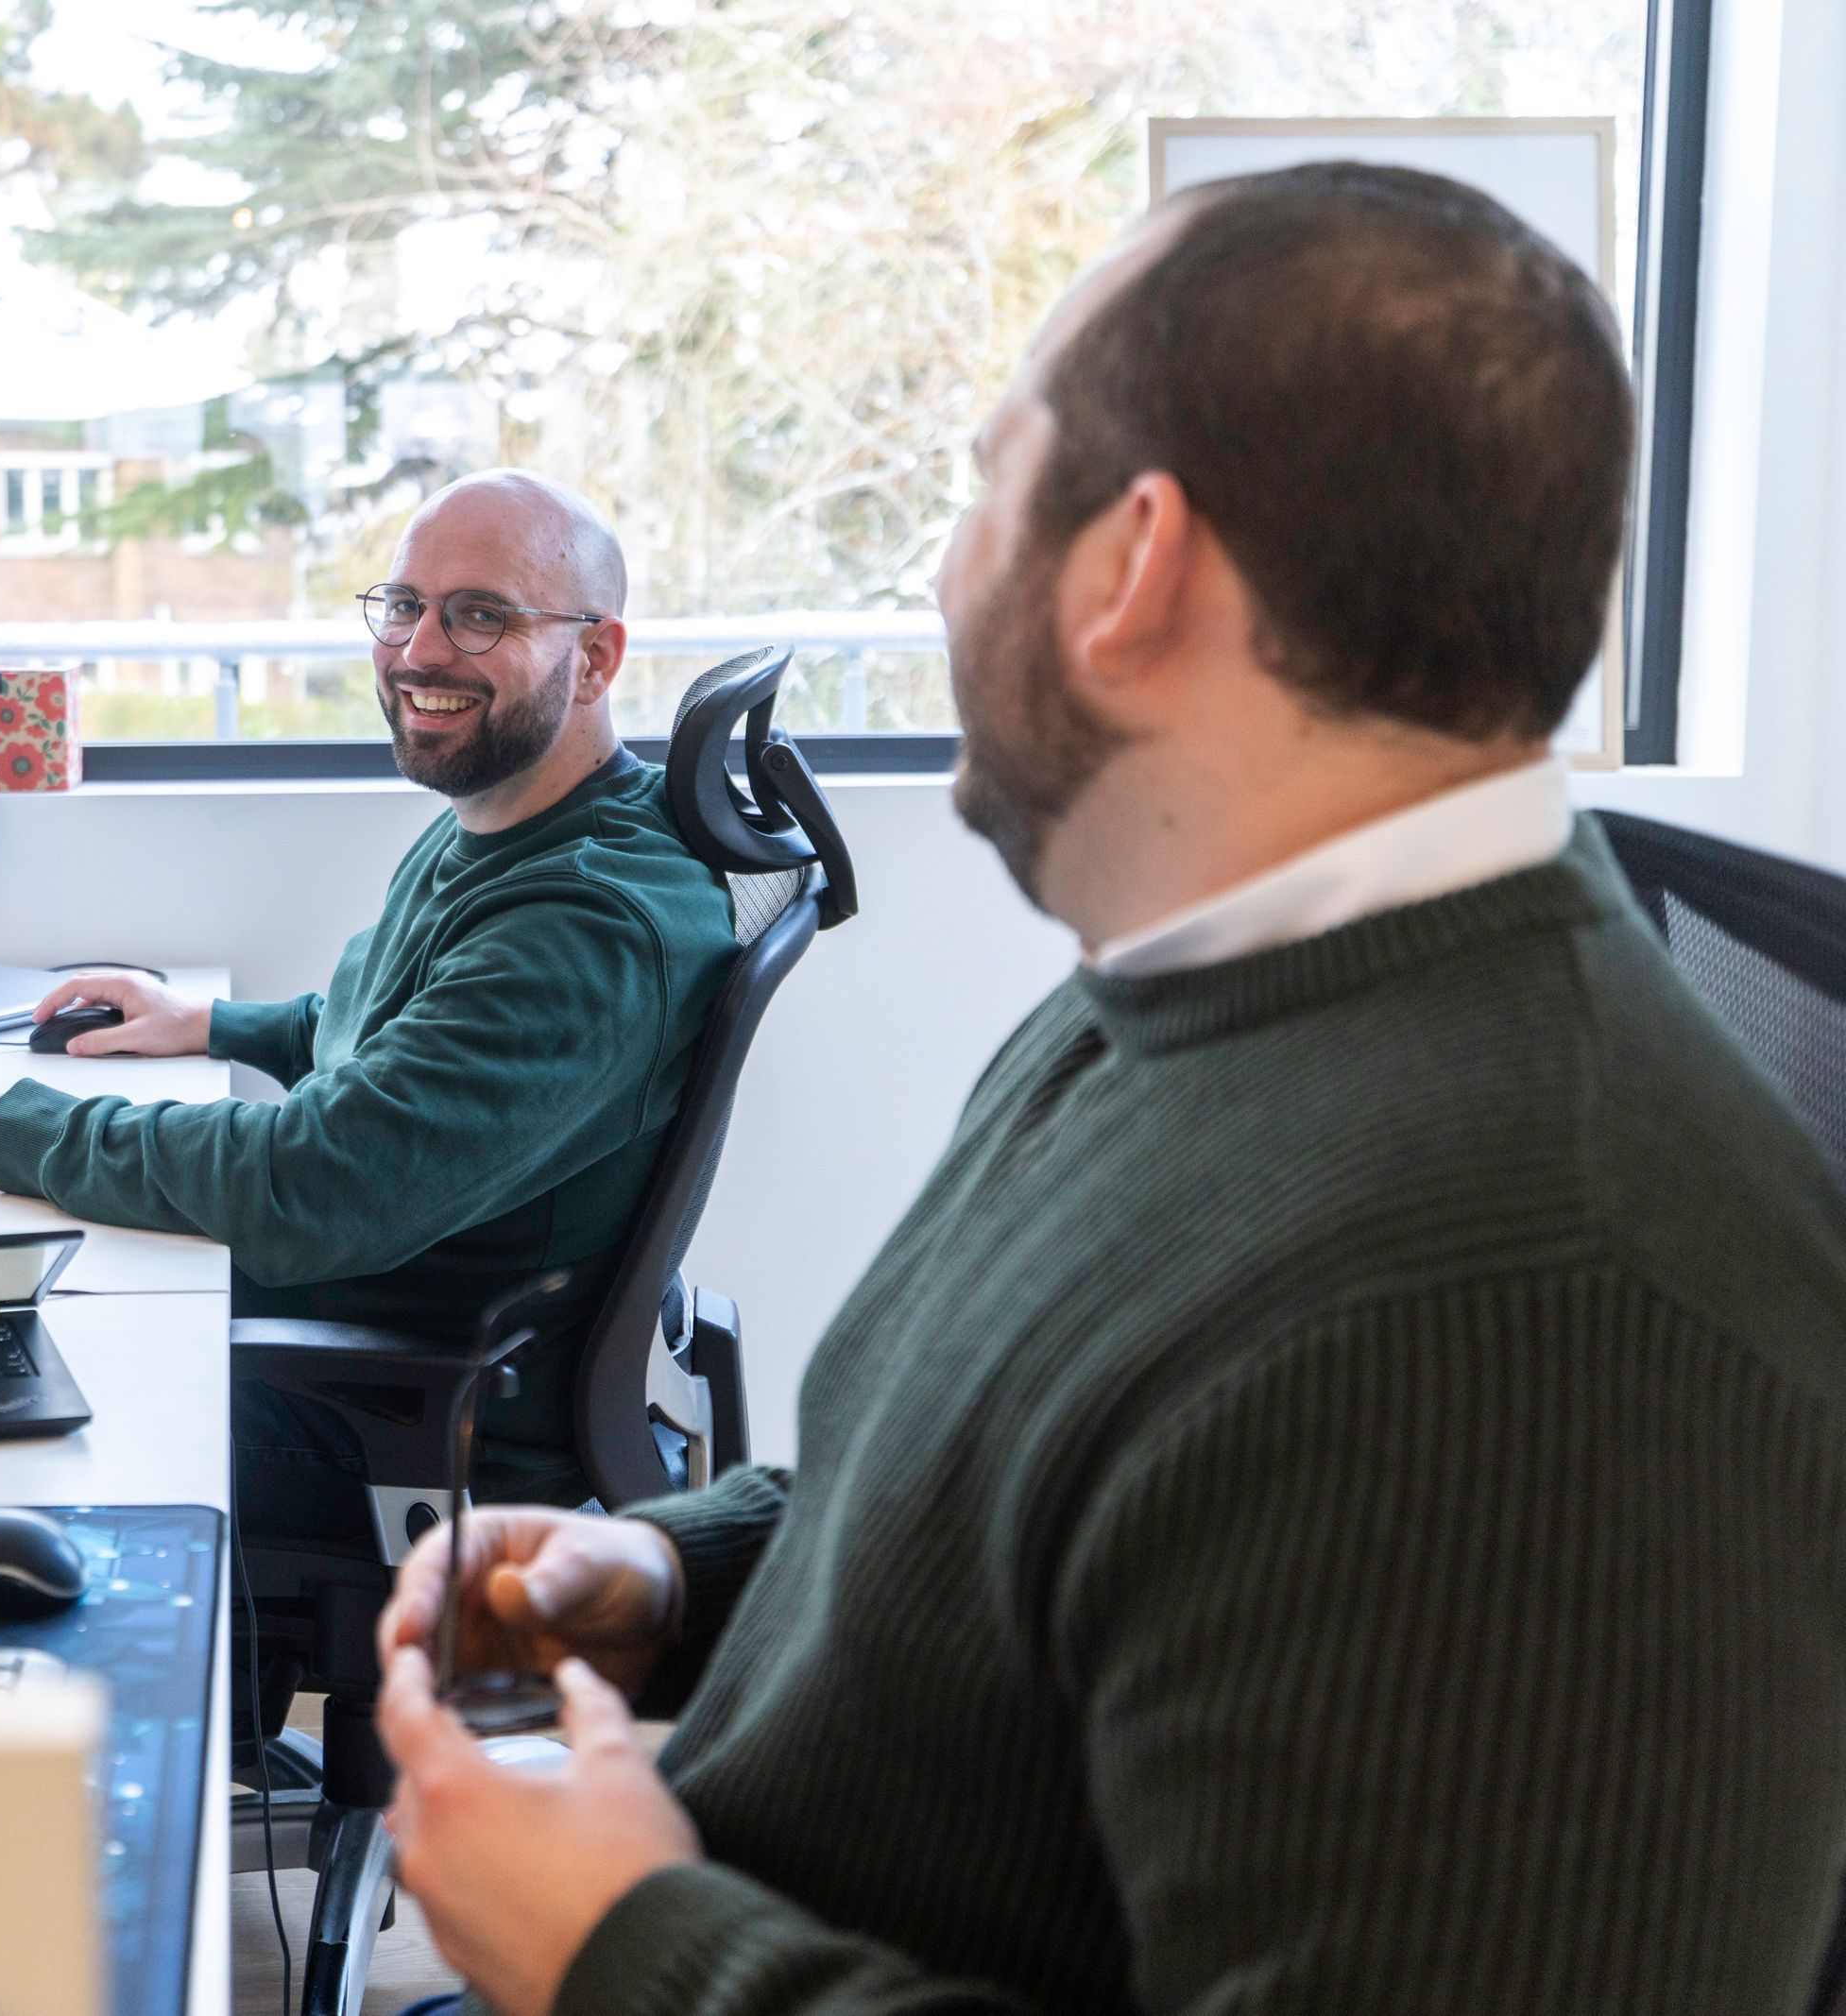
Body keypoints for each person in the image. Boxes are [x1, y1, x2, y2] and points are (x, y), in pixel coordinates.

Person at [367, 162, 1846, 2016]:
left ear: (1135, 559)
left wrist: (623, 1946)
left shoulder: (1541, 1312)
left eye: (986, 484)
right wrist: (675, 1569)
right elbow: (1049, 1480)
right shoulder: (1184, 982)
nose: (946, 568)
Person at [0, 470, 739, 1516]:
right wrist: (210, 1025)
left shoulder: (583, 925)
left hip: (397, 1423)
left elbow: (312, 1183)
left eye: (479, 616)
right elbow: (403, 1040)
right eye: (404, 605)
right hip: (358, 1333)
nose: (418, 651)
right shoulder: (516, 821)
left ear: (594, 658)